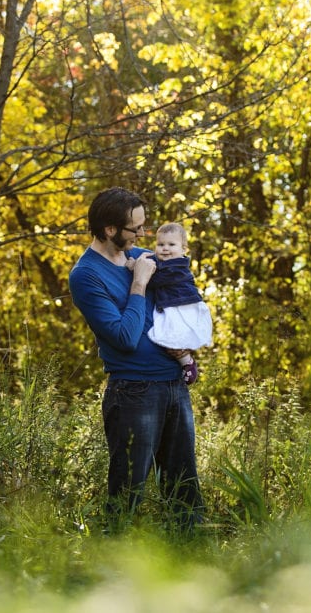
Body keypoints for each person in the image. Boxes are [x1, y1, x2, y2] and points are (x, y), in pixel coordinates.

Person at [68, 187, 205, 531]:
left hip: (173, 384)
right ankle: (114, 567)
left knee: (184, 489)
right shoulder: (86, 275)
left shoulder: (143, 256)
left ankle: (192, 563)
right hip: (135, 391)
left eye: (144, 227)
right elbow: (125, 338)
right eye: (136, 229)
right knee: (128, 492)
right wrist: (139, 284)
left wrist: (188, 346)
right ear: (111, 230)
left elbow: (180, 299)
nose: (144, 236)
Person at [142, 222, 212, 385]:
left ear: (183, 249)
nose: (165, 248)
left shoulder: (177, 266)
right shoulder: (163, 262)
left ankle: (187, 363)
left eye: (171, 244)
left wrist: (136, 270)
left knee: (172, 338)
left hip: (184, 307)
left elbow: (154, 281)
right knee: (168, 339)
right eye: (160, 244)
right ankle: (185, 362)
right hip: (173, 307)